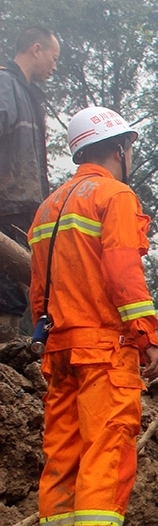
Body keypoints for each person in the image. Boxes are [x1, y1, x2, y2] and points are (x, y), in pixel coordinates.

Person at [29, 106, 158, 526]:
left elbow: (39, 289)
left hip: (59, 348)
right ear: (119, 148)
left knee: (62, 457)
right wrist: (146, 334)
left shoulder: (48, 206)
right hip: (103, 348)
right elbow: (124, 269)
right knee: (106, 452)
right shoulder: (115, 195)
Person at [0, 26, 59, 339]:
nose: (54, 65)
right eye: (53, 56)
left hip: (24, 205)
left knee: (24, 284)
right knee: (7, 283)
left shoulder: (26, 92)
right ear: (37, 49)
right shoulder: (5, 83)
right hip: (7, 205)